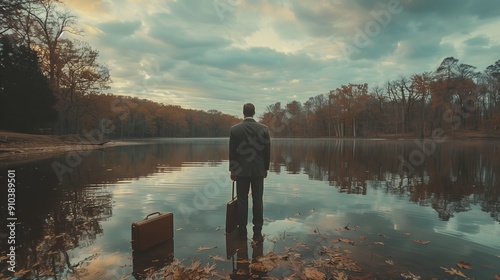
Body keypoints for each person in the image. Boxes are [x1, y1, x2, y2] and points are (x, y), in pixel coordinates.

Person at [229, 103, 271, 241]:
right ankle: (257, 230)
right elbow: (267, 151)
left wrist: (233, 170)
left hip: (241, 171)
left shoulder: (235, 130)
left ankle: (242, 231)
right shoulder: (264, 129)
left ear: (243, 113)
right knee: (258, 200)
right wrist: (265, 168)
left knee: (242, 200)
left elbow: (232, 153)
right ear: (254, 112)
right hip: (258, 171)